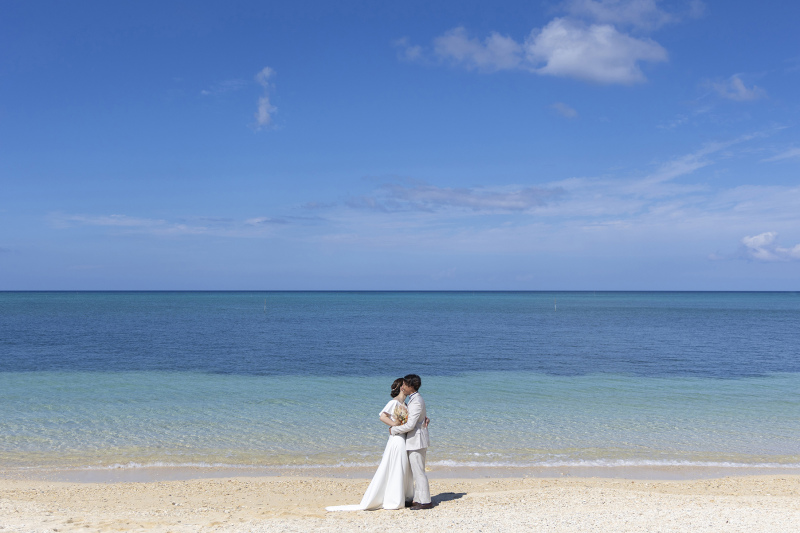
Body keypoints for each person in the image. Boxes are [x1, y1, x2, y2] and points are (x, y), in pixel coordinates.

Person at [325, 378, 414, 511]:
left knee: (402, 466)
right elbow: (383, 416)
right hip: (397, 438)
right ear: (402, 387)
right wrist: (394, 424)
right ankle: (394, 498)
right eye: (407, 385)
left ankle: (401, 496)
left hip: (403, 437)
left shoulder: (405, 403)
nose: (410, 387)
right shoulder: (393, 402)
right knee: (396, 466)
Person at [390, 374, 431, 510]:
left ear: (411, 386)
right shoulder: (413, 400)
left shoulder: (417, 401)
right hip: (414, 439)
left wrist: (394, 430)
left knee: (419, 471)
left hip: (417, 440)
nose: (402, 387)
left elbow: (411, 425)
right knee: (415, 470)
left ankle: (425, 502)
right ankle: (417, 499)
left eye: (405, 385)